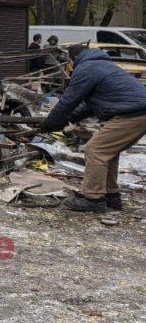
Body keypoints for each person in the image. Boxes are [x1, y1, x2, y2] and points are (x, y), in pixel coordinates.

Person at [41, 44, 146, 212]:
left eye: (68, 61)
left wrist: (50, 124)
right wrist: (69, 119)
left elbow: (69, 100)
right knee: (108, 152)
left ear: (74, 58)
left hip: (131, 114)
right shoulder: (103, 65)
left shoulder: (85, 68)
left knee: (95, 150)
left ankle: (93, 198)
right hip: (138, 111)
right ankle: (111, 195)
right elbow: (88, 105)